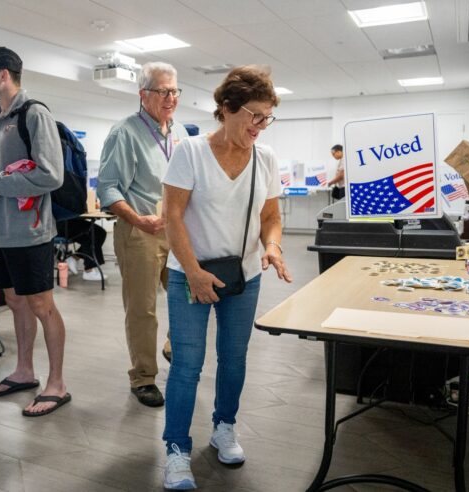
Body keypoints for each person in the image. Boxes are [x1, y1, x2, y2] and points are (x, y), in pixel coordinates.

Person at [160, 65, 292, 489]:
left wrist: (272, 247)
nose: (260, 126)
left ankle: (224, 427)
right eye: (254, 115)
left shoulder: (266, 158)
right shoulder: (190, 152)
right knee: (187, 364)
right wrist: (194, 272)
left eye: (267, 117)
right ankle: (176, 449)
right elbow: (172, 217)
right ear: (226, 109)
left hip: (244, 275)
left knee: (233, 359)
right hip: (190, 274)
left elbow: (270, 216)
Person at [0, 47, 71, 417]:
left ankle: (56, 384)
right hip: (1, 235)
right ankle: (24, 371)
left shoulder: (33, 114)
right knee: (16, 303)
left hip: (31, 233)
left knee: (42, 305)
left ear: (4, 74)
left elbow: (50, 175)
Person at [97, 62, 188, 407]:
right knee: (143, 309)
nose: (170, 98)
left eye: (174, 91)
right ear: (143, 95)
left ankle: (171, 345)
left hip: (175, 232)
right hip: (140, 231)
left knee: (187, 297)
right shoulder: (125, 133)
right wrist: (139, 219)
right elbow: (108, 189)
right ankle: (143, 378)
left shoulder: (174, 135)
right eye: (163, 91)